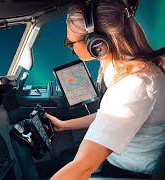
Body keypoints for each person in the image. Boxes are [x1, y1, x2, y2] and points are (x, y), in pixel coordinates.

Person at [45, 0, 165, 179]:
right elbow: (110, 115)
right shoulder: (129, 67)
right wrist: (64, 125)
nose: (70, 47)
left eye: (71, 43)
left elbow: (84, 167)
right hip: (119, 161)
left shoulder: (134, 85)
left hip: (127, 173)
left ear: (96, 43)